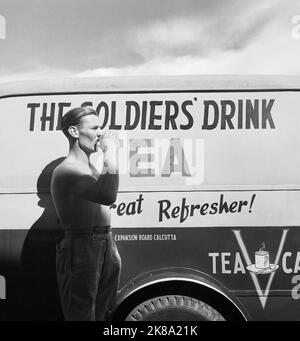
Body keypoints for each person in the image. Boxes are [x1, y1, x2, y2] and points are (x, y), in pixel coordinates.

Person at [50, 106, 121, 321]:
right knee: (82, 313)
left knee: (103, 312)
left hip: (102, 240)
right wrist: (111, 151)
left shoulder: (89, 168)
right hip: (82, 245)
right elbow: (108, 195)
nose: (101, 133)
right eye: (95, 127)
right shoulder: (67, 170)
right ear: (74, 132)